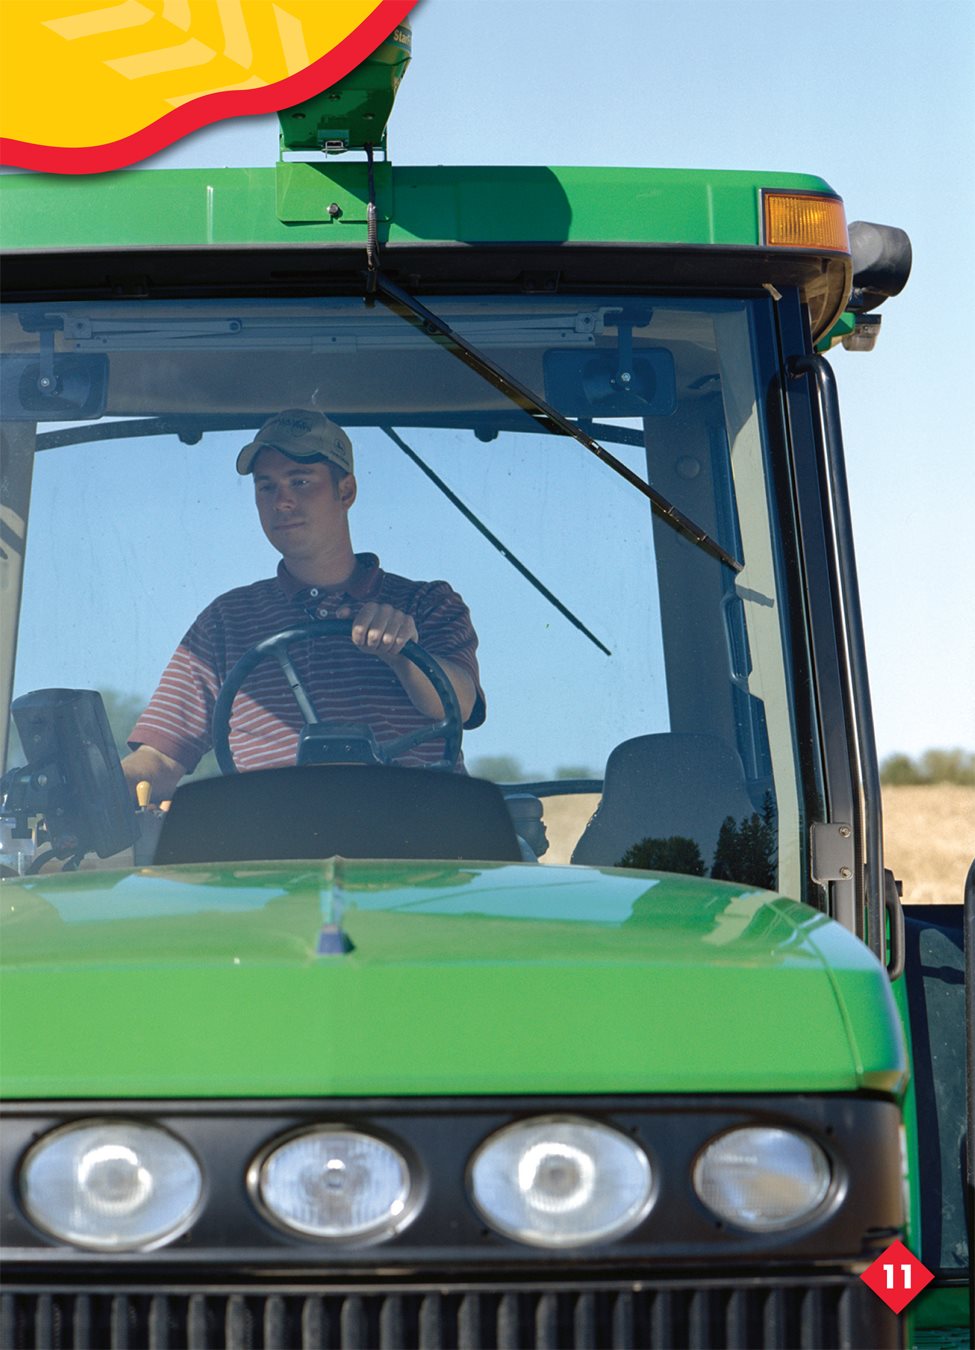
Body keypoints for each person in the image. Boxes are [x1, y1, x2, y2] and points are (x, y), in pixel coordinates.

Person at [121, 410, 485, 802]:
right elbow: (158, 759)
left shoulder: (427, 603)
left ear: (345, 492)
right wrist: (87, 789)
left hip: (417, 835)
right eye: (267, 487)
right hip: (271, 845)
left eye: (300, 481)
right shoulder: (226, 620)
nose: (282, 502)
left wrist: (403, 657)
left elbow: (460, 704)